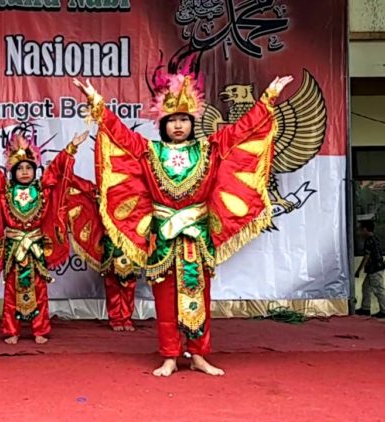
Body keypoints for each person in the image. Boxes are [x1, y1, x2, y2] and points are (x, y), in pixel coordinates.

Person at [73, 56, 293, 376]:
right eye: (172, 119)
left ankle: (199, 354)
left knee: (199, 295)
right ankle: (170, 356)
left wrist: (267, 99)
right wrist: (96, 102)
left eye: (184, 119)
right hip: (163, 235)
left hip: (197, 236)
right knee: (165, 296)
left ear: (193, 121)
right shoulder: (150, 151)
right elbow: (119, 134)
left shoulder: (209, 148)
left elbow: (242, 131)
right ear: (163, 122)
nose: (178, 125)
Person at [0, 123, 88, 344]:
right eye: (20, 168)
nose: (24, 172)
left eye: (29, 168)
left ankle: (40, 329)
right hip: (13, 247)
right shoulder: (5, 191)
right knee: (11, 289)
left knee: (40, 288)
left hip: (35, 246)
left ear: (35, 170)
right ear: (12, 171)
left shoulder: (42, 189)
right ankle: (11, 330)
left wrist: (71, 148)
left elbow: (57, 170)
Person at [67, 176, 140, 332]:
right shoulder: (101, 191)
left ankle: (126, 318)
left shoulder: (135, 190)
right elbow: (83, 187)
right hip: (110, 246)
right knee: (112, 283)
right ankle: (115, 318)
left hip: (129, 244)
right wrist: (66, 173)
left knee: (129, 283)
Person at [355, 220, 385, 318]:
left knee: (378, 290)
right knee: (366, 287)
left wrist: (358, 270)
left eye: (360, 230)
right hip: (374, 269)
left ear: (365, 229)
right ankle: (365, 308)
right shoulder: (375, 239)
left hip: (375, 270)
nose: (359, 232)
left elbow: (366, 257)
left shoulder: (369, 241)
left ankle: (384, 310)